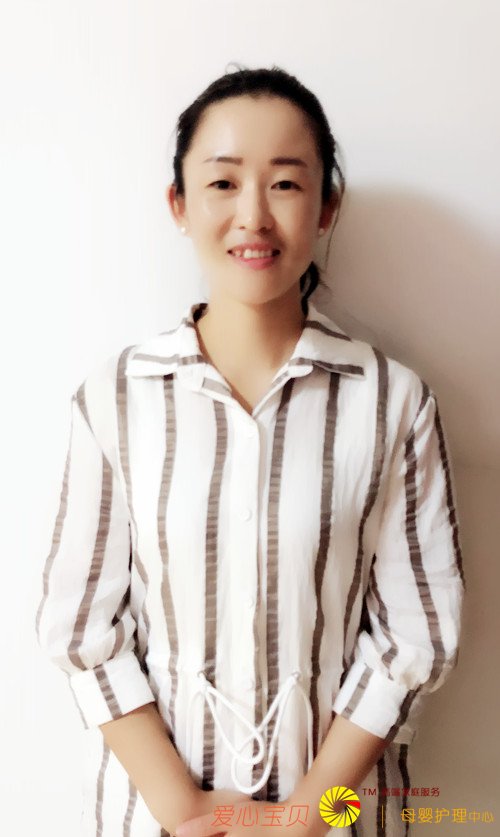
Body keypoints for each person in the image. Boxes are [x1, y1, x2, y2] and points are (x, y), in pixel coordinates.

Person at [35, 65, 466, 837]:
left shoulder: (392, 401)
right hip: (154, 819)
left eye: (286, 184)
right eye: (224, 183)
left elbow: (417, 639)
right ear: (179, 204)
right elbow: (82, 631)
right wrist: (186, 810)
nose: (253, 216)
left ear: (327, 206)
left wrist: (305, 816)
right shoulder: (116, 397)